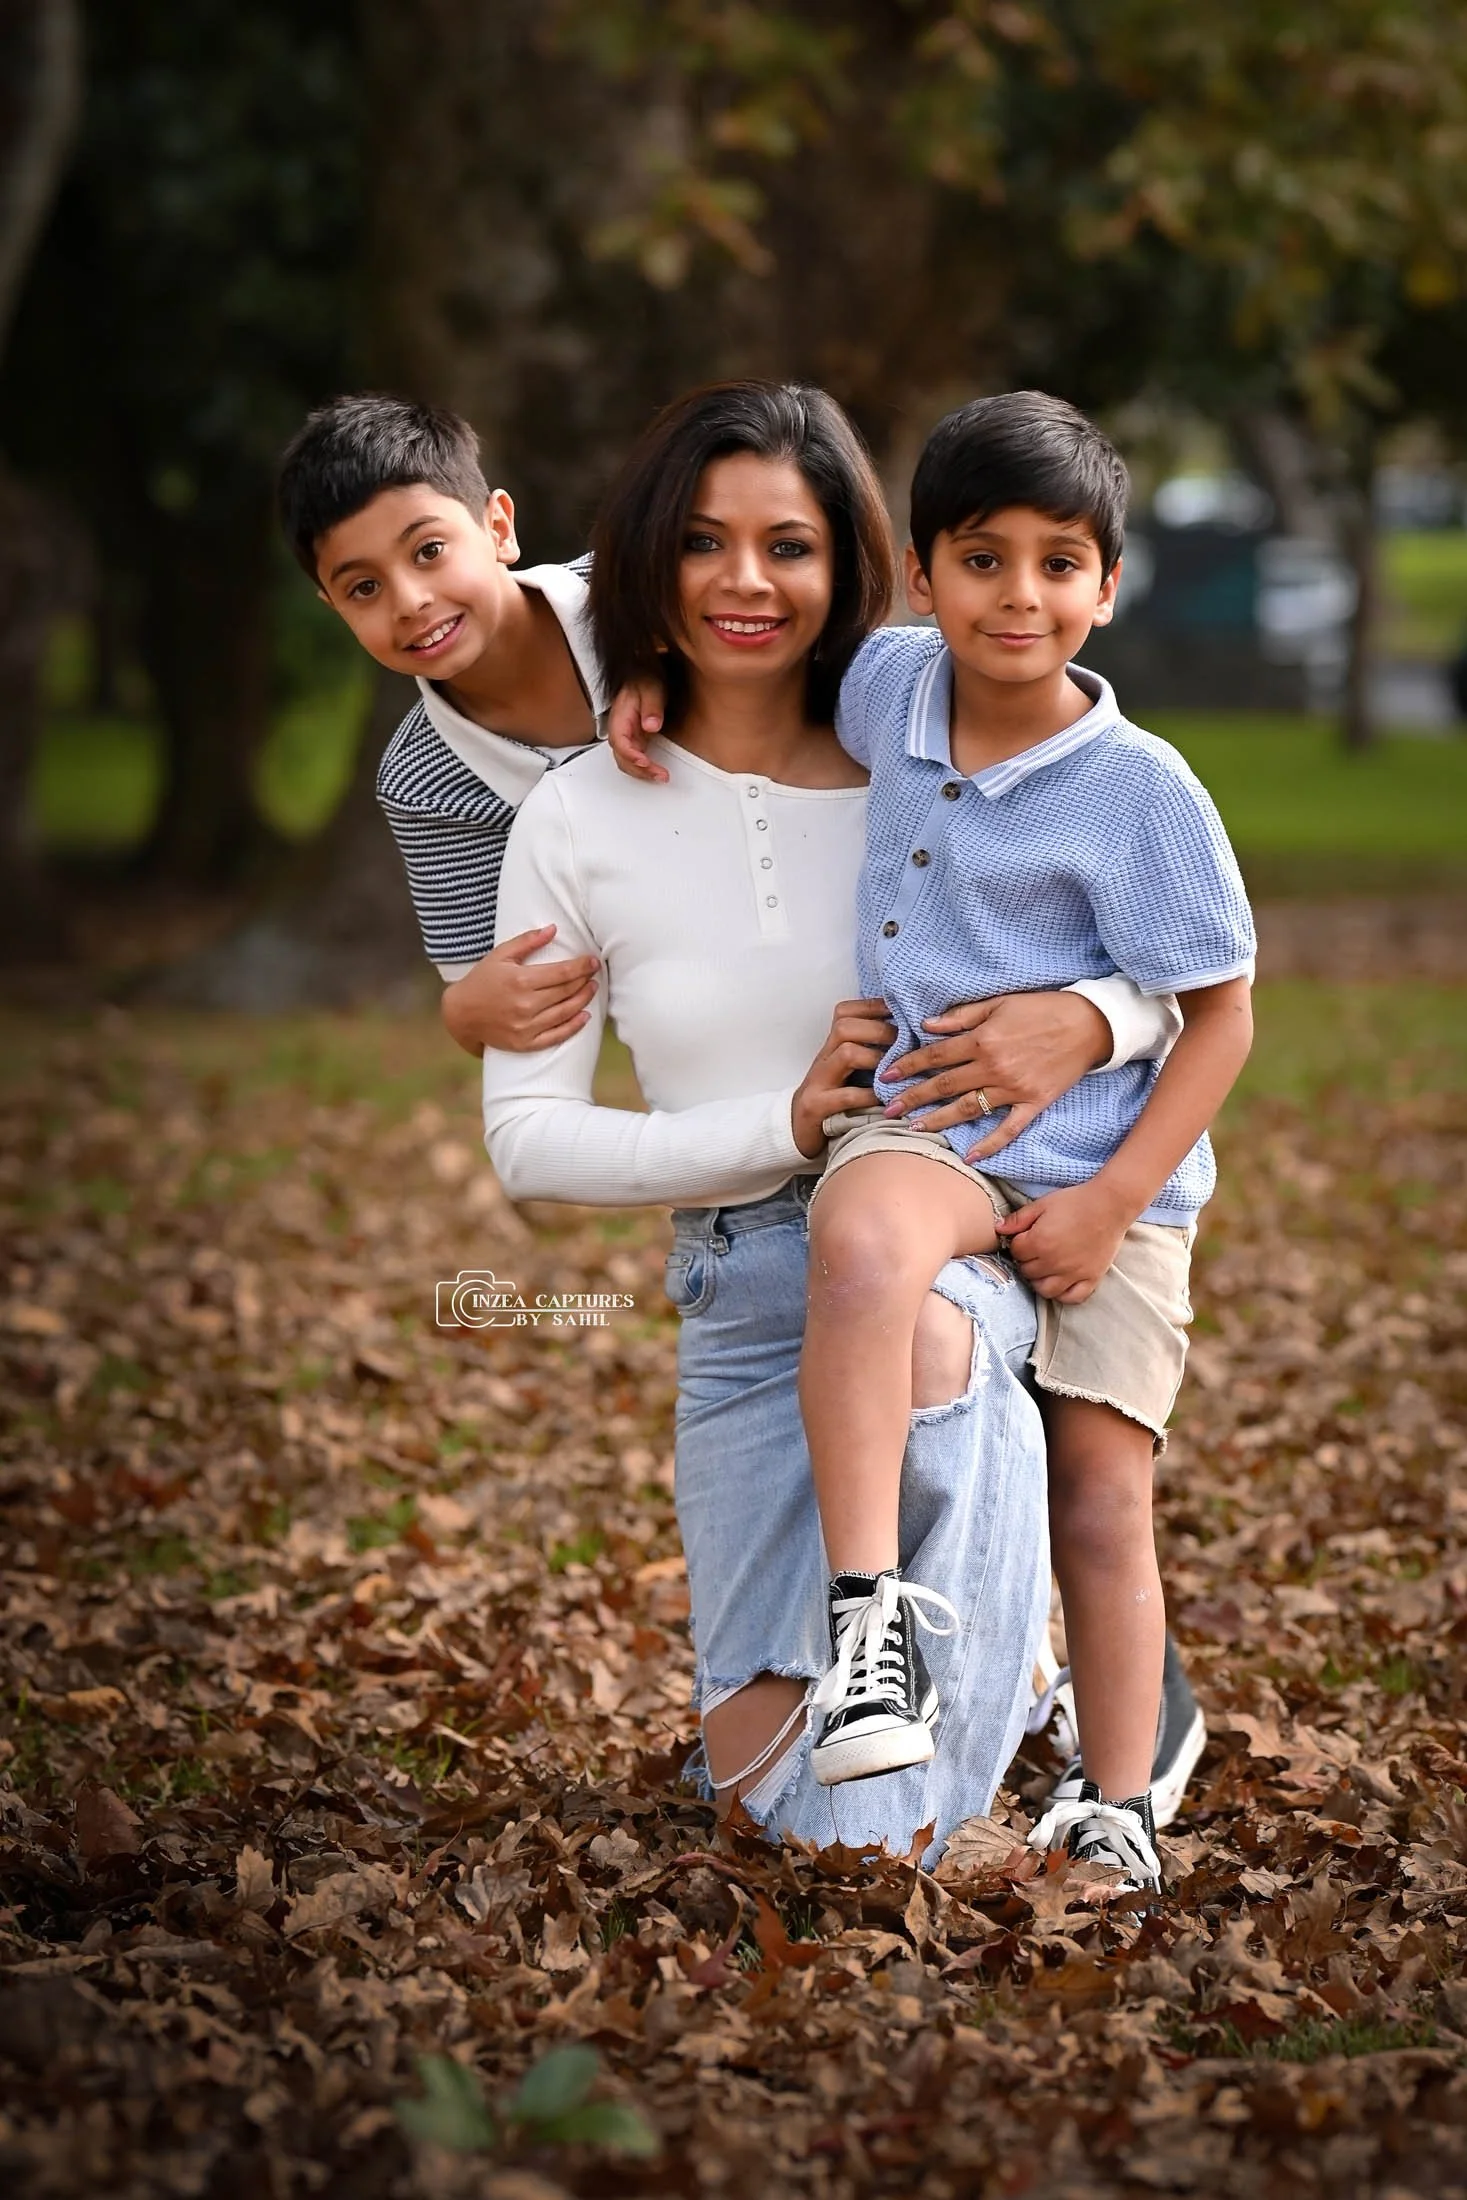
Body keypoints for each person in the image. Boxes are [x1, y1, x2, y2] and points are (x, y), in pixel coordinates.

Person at [475, 381, 1187, 1855]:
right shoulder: (579, 813)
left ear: (852, 569)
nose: (745, 582)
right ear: (648, 563)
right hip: (745, 1292)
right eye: (704, 544)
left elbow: (1178, 954)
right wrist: (784, 1124)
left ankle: (1051, 1719)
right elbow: (526, 1140)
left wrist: (1097, 1021)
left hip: (954, 1245)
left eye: (787, 546)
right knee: (767, 1812)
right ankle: (1016, 1671)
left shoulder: (923, 737)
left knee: (880, 1843)